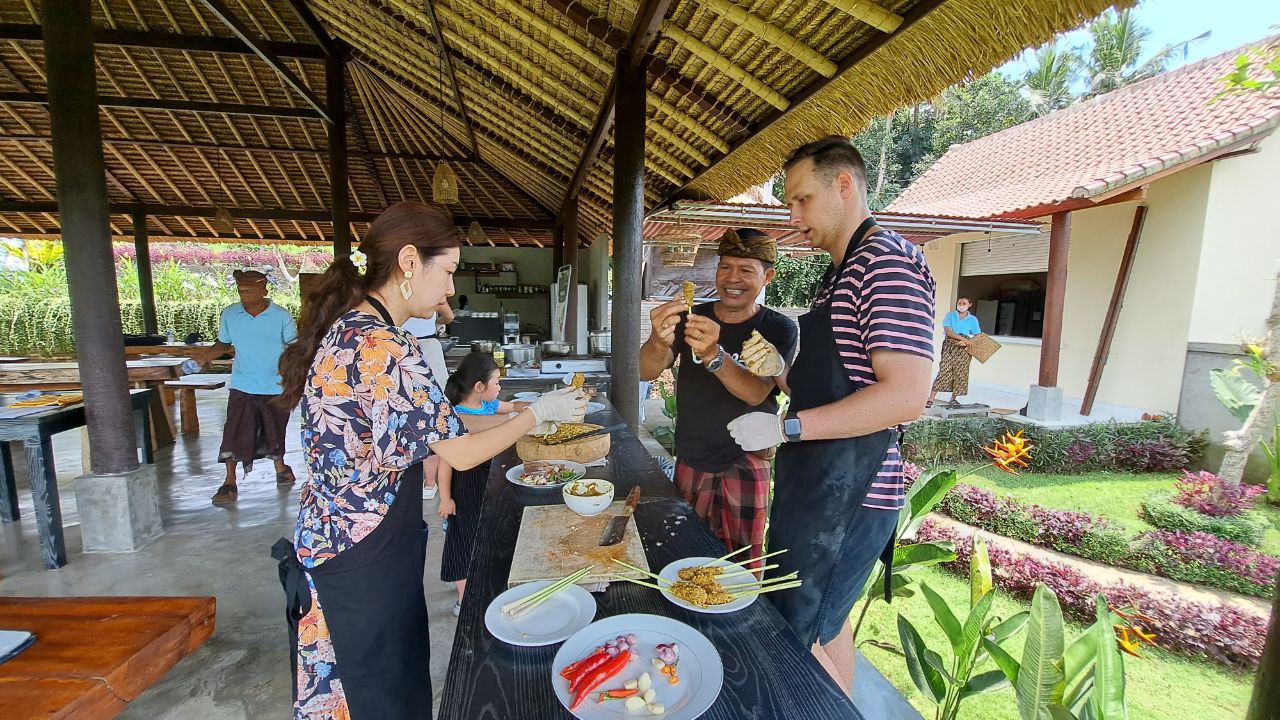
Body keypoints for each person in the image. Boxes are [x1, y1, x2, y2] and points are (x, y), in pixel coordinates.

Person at [273, 201, 586, 720]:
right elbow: (459, 454)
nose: (448, 291)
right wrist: (534, 419)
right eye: (447, 272)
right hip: (357, 551)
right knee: (379, 694)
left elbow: (446, 428)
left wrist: (533, 414)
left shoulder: (363, 330)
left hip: (355, 539)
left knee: (392, 680)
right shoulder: (381, 346)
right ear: (411, 261)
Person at [726, 137, 935, 693]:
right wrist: (775, 370)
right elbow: (825, 390)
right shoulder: (839, 275)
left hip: (852, 493)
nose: (792, 219)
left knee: (800, 640)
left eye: (801, 199)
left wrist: (785, 426)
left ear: (844, 185)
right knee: (826, 626)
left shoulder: (886, 261)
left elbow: (905, 396)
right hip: (817, 485)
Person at [639, 228, 798, 570]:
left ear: (768, 276)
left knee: (741, 560)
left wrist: (713, 353)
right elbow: (646, 371)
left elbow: (756, 392)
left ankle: (741, 622)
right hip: (692, 454)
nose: (732, 279)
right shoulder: (692, 317)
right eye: (725, 267)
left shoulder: (779, 328)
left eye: (746, 270)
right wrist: (657, 340)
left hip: (745, 458)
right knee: (684, 550)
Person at [436, 352, 530, 615]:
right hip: (464, 489)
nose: (500, 388)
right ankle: (464, 600)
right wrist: (446, 498)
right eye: (496, 382)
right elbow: (445, 464)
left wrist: (535, 409)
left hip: (490, 485)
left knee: (487, 535)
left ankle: (484, 582)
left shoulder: (488, 406)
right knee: (463, 542)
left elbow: (512, 407)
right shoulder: (456, 417)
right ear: (479, 387)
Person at [196, 268, 297, 506]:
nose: (244, 295)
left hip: (274, 384)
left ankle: (280, 469)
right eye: (241, 290)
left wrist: (292, 376)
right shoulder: (230, 314)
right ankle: (229, 480)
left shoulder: (281, 316)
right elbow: (222, 343)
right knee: (233, 431)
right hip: (242, 384)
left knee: (274, 429)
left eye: (250, 290)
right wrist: (202, 357)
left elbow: (294, 348)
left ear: (264, 290)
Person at [403, 300, 455, 500]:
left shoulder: (394, 290)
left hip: (400, 345)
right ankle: (430, 482)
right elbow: (449, 317)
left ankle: (408, 481)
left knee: (407, 416)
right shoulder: (434, 291)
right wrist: (434, 321)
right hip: (428, 347)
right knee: (436, 415)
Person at [929, 296, 982, 407]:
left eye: (964, 303)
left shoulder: (973, 319)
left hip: (964, 350)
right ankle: (931, 398)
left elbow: (978, 334)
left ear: (969, 305)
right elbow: (948, 331)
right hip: (949, 345)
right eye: (960, 302)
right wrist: (964, 339)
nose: (961, 305)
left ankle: (953, 398)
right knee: (944, 369)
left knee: (960, 372)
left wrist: (969, 341)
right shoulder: (950, 315)